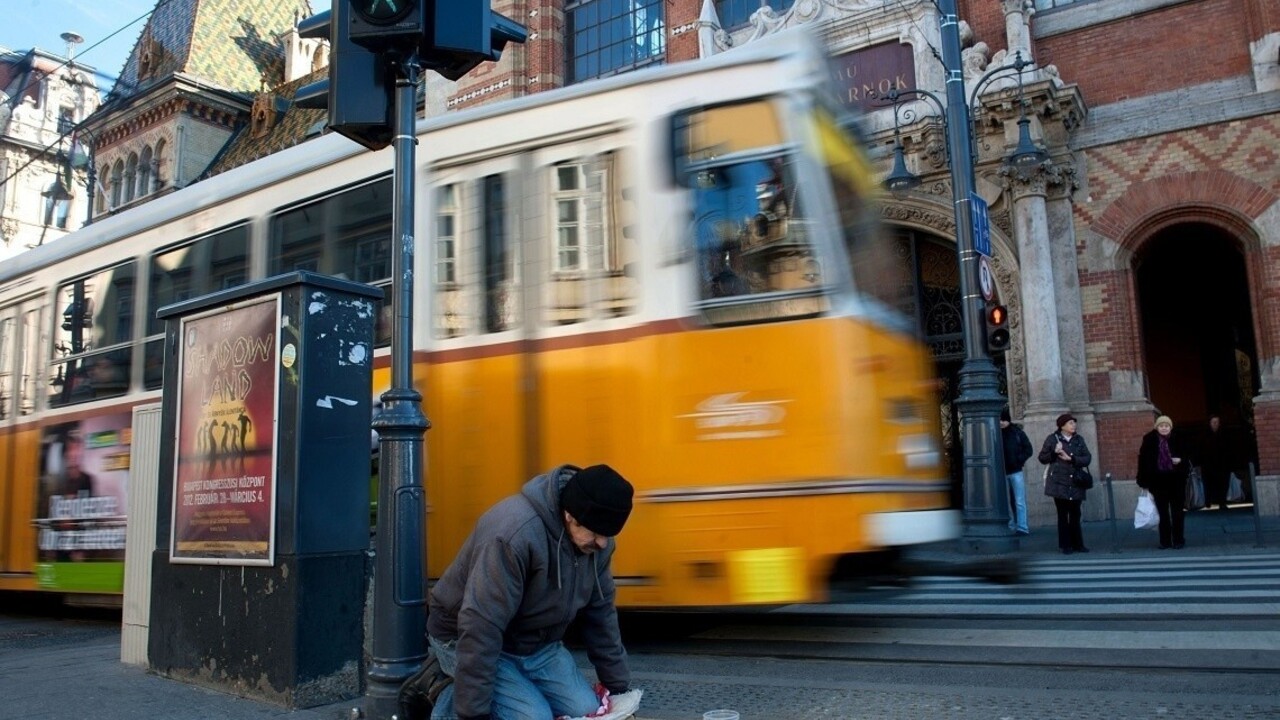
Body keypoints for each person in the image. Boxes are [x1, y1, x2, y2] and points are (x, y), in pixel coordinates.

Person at [426, 464, 634, 720]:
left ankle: (504, 685)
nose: (603, 543)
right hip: (466, 637)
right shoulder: (513, 535)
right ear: (570, 515)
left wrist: (618, 688)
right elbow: (481, 625)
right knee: (535, 716)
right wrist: (472, 713)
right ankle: (449, 693)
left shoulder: (596, 543)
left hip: (535, 643)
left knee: (586, 710)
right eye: (596, 533)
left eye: (608, 535)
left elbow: (601, 614)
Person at [1039, 413, 1092, 555]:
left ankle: (1078, 544)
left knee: (1076, 513)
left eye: (1074, 423)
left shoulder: (1079, 440)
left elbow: (1087, 458)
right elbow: (1042, 458)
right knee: (1062, 514)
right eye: (1070, 423)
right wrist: (1054, 453)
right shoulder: (1052, 439)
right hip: (1058, 482)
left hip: (1076, 481)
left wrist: (1072, 458)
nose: (1073, 425)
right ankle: (1065, 545)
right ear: (1062, 426)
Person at [1137, 415, 1191, 549]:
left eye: (1166, 426)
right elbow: (1143, 461)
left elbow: (1189, 455)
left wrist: (1181, 461)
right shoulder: (1149, 440)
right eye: (1161, 426)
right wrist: (1143, 481)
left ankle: (1178, 540)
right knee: (1163, 513)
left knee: (1177, 512)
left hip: (1176, 481)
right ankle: (1165, 541)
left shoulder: (1179, 438)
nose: (1164, 428)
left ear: (1170, 427)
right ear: (1157, 427)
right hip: (1158, 482)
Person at [999, 407, 1034, 536]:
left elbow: (1028, 449)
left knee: (1020, 500)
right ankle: (1010, 525)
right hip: (1001, 471)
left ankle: (1022, 527)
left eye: (1004, 419)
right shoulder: (994, 432)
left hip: (1015, 470)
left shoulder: (1017, 433)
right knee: (1006, 501)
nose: (1001, 422)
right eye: (999, 420)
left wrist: (1019, 460)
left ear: (1008, 420)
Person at [1200, 414, 1234, 510]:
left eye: (1217, 422)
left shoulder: (1224, 435)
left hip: (1222, 465)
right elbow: (1200, 450)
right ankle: (1208, 501)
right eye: (1213, 422)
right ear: (1209, 423)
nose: (1215, 424)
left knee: (1223, 484)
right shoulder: (1204, 435)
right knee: (1208, 484)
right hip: (1208, 465)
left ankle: (1222, 502)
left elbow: (1229, 449)